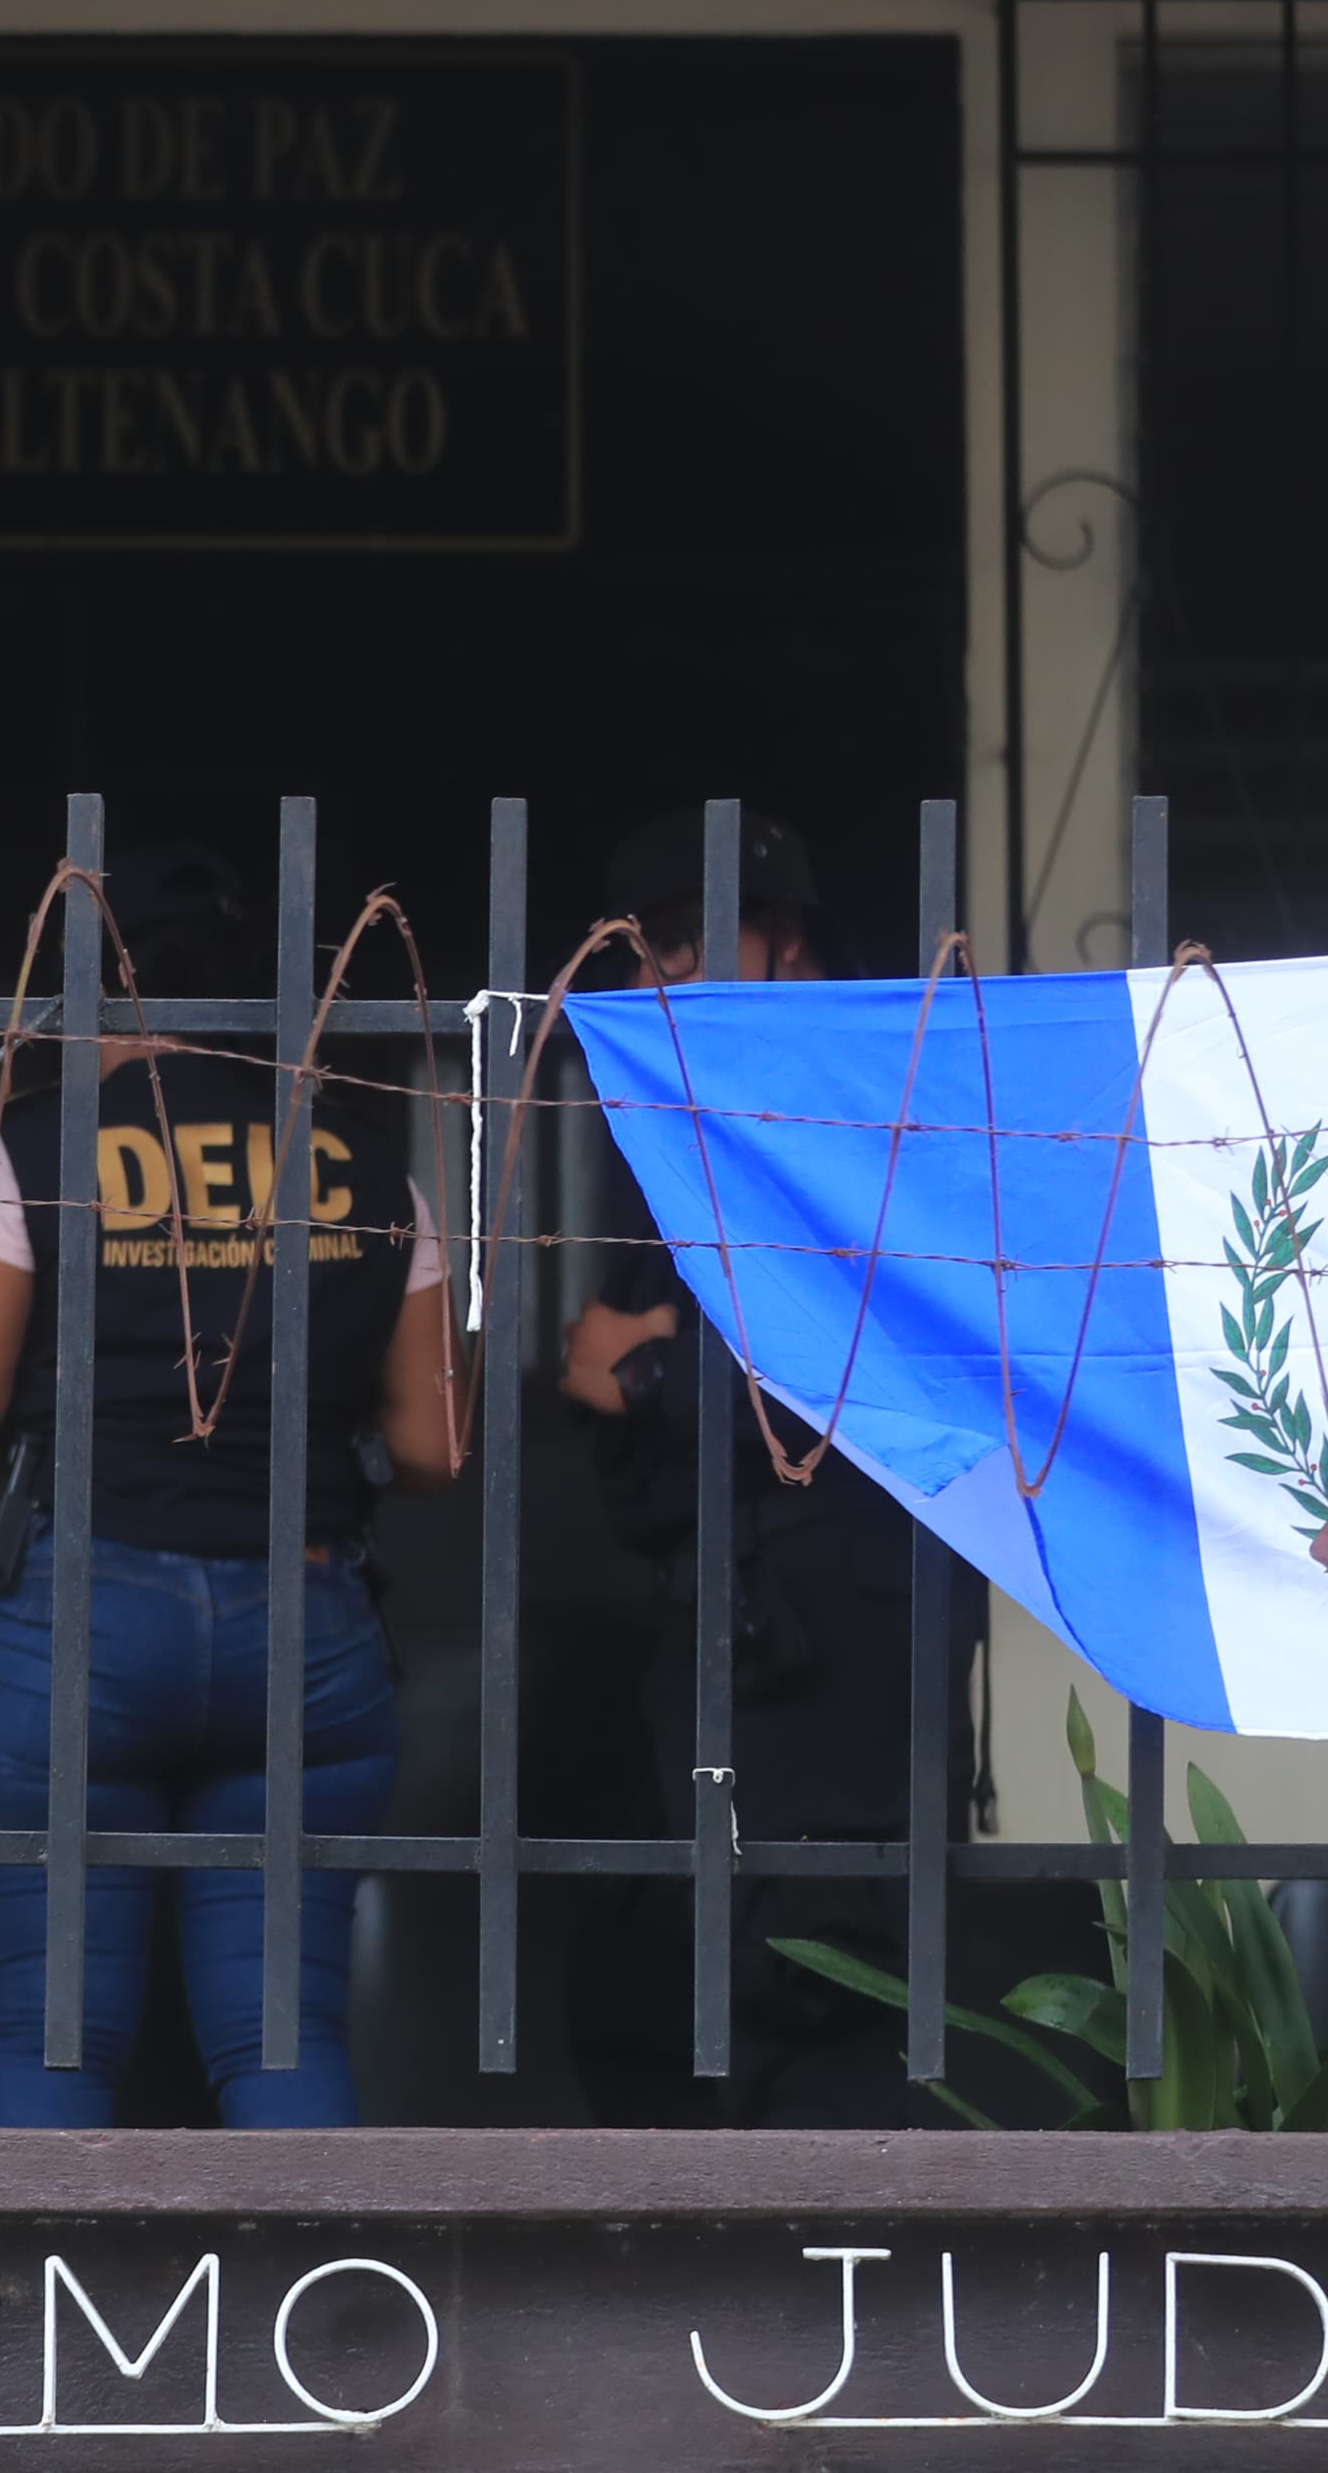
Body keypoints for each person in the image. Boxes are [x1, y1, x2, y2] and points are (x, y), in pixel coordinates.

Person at [0, 843, 467, 2127]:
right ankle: (317, 2325)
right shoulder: (370, 1167)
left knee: (49, 2040)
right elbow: (435, 1447)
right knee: (282, 2039)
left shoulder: (43, 1148)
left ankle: (29, 2325)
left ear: (112, 998)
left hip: (75, 1630)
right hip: (307, 1629)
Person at [553, 808, 977, 2129]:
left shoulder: (867, 1093)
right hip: (730, 1623)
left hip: (841, 1620)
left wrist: (649, 1366)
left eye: (681, 946)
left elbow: (909, 1348)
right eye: (630, 958)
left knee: (820, 1991)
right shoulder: (690, 1119)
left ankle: (828, 2302)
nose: (649, 985)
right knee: (654, 1987)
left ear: (785, 944)